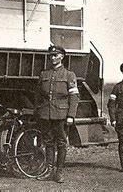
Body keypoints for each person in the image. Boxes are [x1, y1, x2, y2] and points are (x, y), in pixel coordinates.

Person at [35, 45, 79, 183]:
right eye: (51, 55)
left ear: (62, 57)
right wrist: (39, 109)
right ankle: (48, 171)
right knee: (48, 142)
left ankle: (59, 172)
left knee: (61, 143)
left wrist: (71, 115)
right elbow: (38, 95)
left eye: (55, 55)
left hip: (61, 115)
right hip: (46, 113)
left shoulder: (69, 75)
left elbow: (74, 97)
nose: (52, 57)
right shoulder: (44, 74)